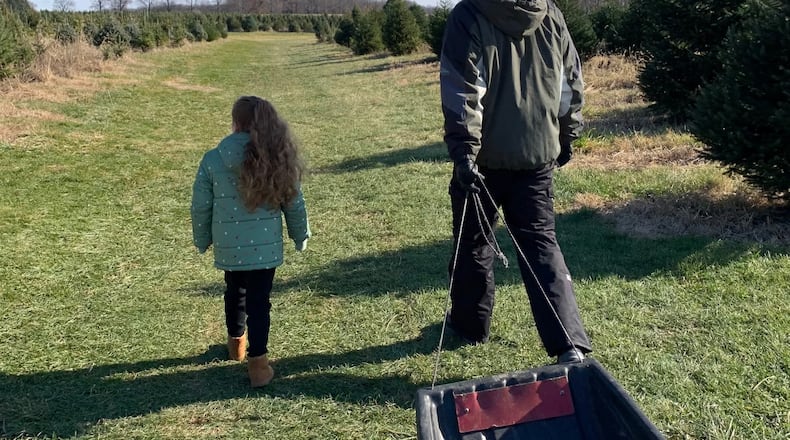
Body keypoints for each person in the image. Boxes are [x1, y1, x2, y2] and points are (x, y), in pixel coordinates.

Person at [439, 0, 592, 363]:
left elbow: (463, 86)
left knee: (473, 241)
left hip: (483, 160)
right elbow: (569, 82)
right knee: (541, 245)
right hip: (537, 153)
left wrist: (463, 152)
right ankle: (568, 343)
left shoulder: (469, 14)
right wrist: (567, 134)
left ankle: (469, 324)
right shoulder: (550, 12)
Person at [191, 96, 310, 387]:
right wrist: (299, 234)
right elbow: (293, 203)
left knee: (234, 292)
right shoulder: (277, 156)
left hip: (229, 246)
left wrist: (202, 238)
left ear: (236, 122)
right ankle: (259, 365)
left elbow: (200, 205)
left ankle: (236, 345)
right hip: (265, 249)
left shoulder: (213, 158)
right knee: (259, 302)